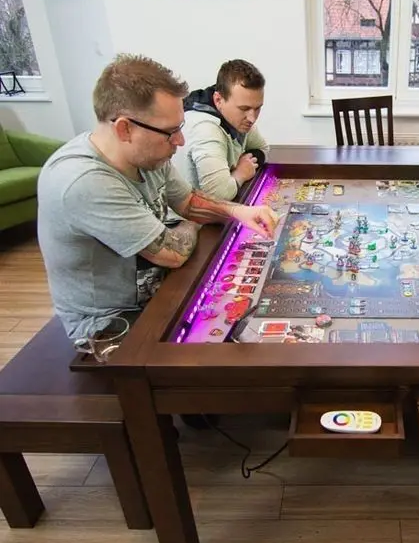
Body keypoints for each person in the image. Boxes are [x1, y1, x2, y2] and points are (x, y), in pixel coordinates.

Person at [37, 53, 278, 343]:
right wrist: (192, 224)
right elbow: (173, 253)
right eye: (171, 132)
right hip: (112, 325)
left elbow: (189, 202)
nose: (180, 141)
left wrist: (239, 212)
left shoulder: (148, 154)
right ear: (124, 128)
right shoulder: (83, 181)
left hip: (161, 289)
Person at [174, 59, 269, 201]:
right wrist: (240, 173)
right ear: (218, 100)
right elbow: (219, 195)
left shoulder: (239, 119)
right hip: (184, 220)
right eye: (244, 109)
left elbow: (263, 149)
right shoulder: (205, 128)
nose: (252, 118)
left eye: (257, 108)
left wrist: (236, 172)